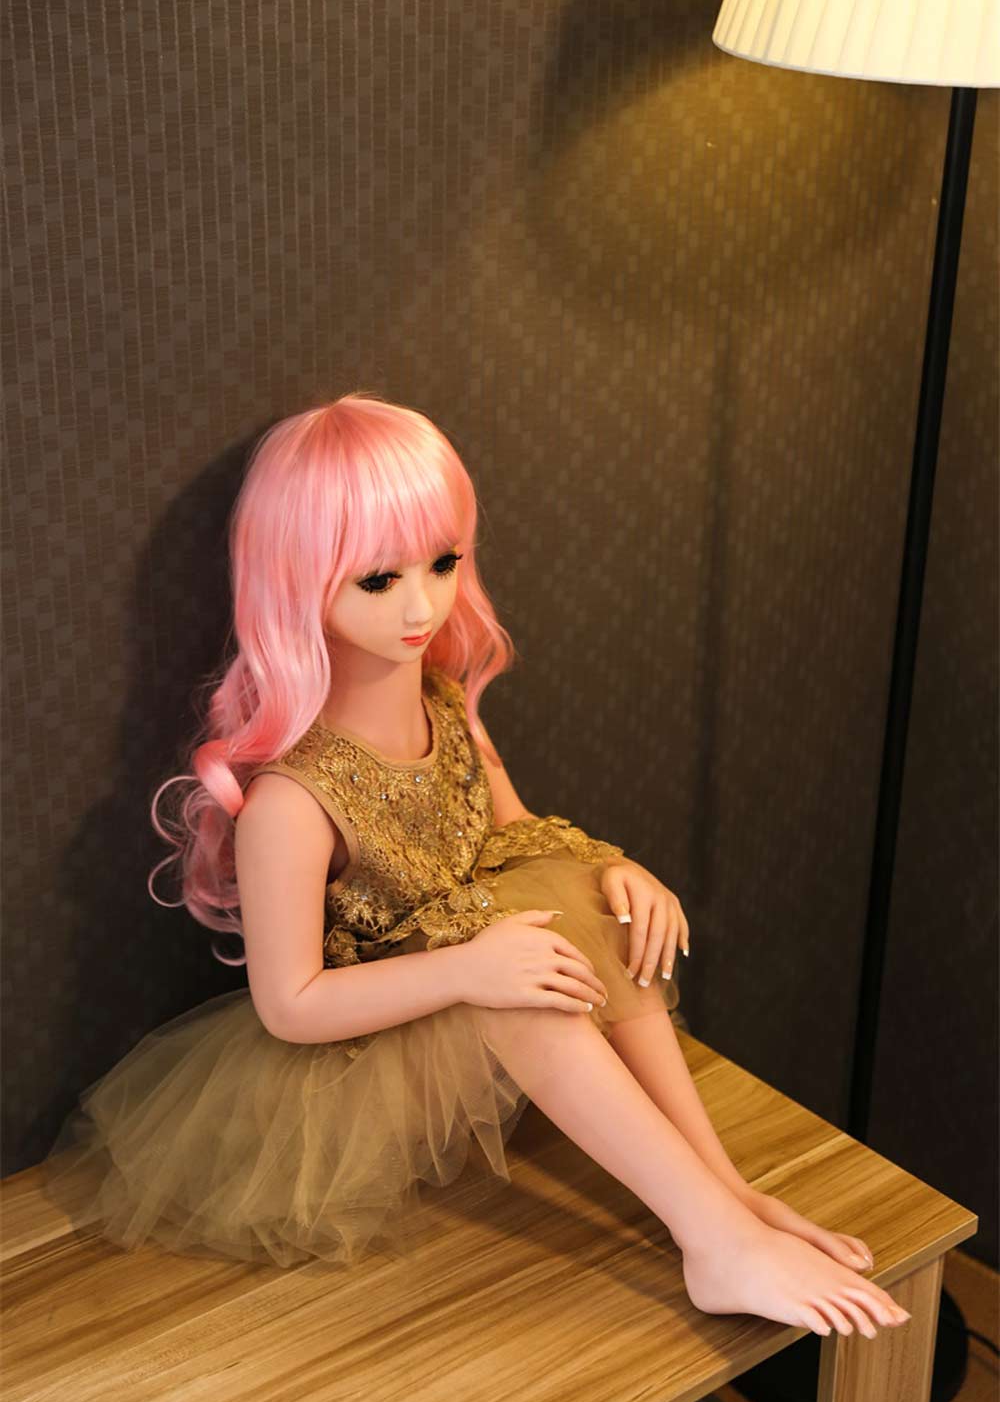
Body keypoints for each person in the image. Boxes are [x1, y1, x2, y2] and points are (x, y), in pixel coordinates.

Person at [41, 392, 910, 1340]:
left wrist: (612, 870)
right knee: (508, 981)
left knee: (585, 898)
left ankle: (723, 1190)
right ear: (297, 581)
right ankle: (713, 1240)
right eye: (379, 580)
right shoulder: (294, 799)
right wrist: (467, 970)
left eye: (444, 562)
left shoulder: (446, 704)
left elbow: (517, 832)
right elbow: (291, 1005)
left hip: (458, 981)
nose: (423, 605)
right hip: (348, 1066)